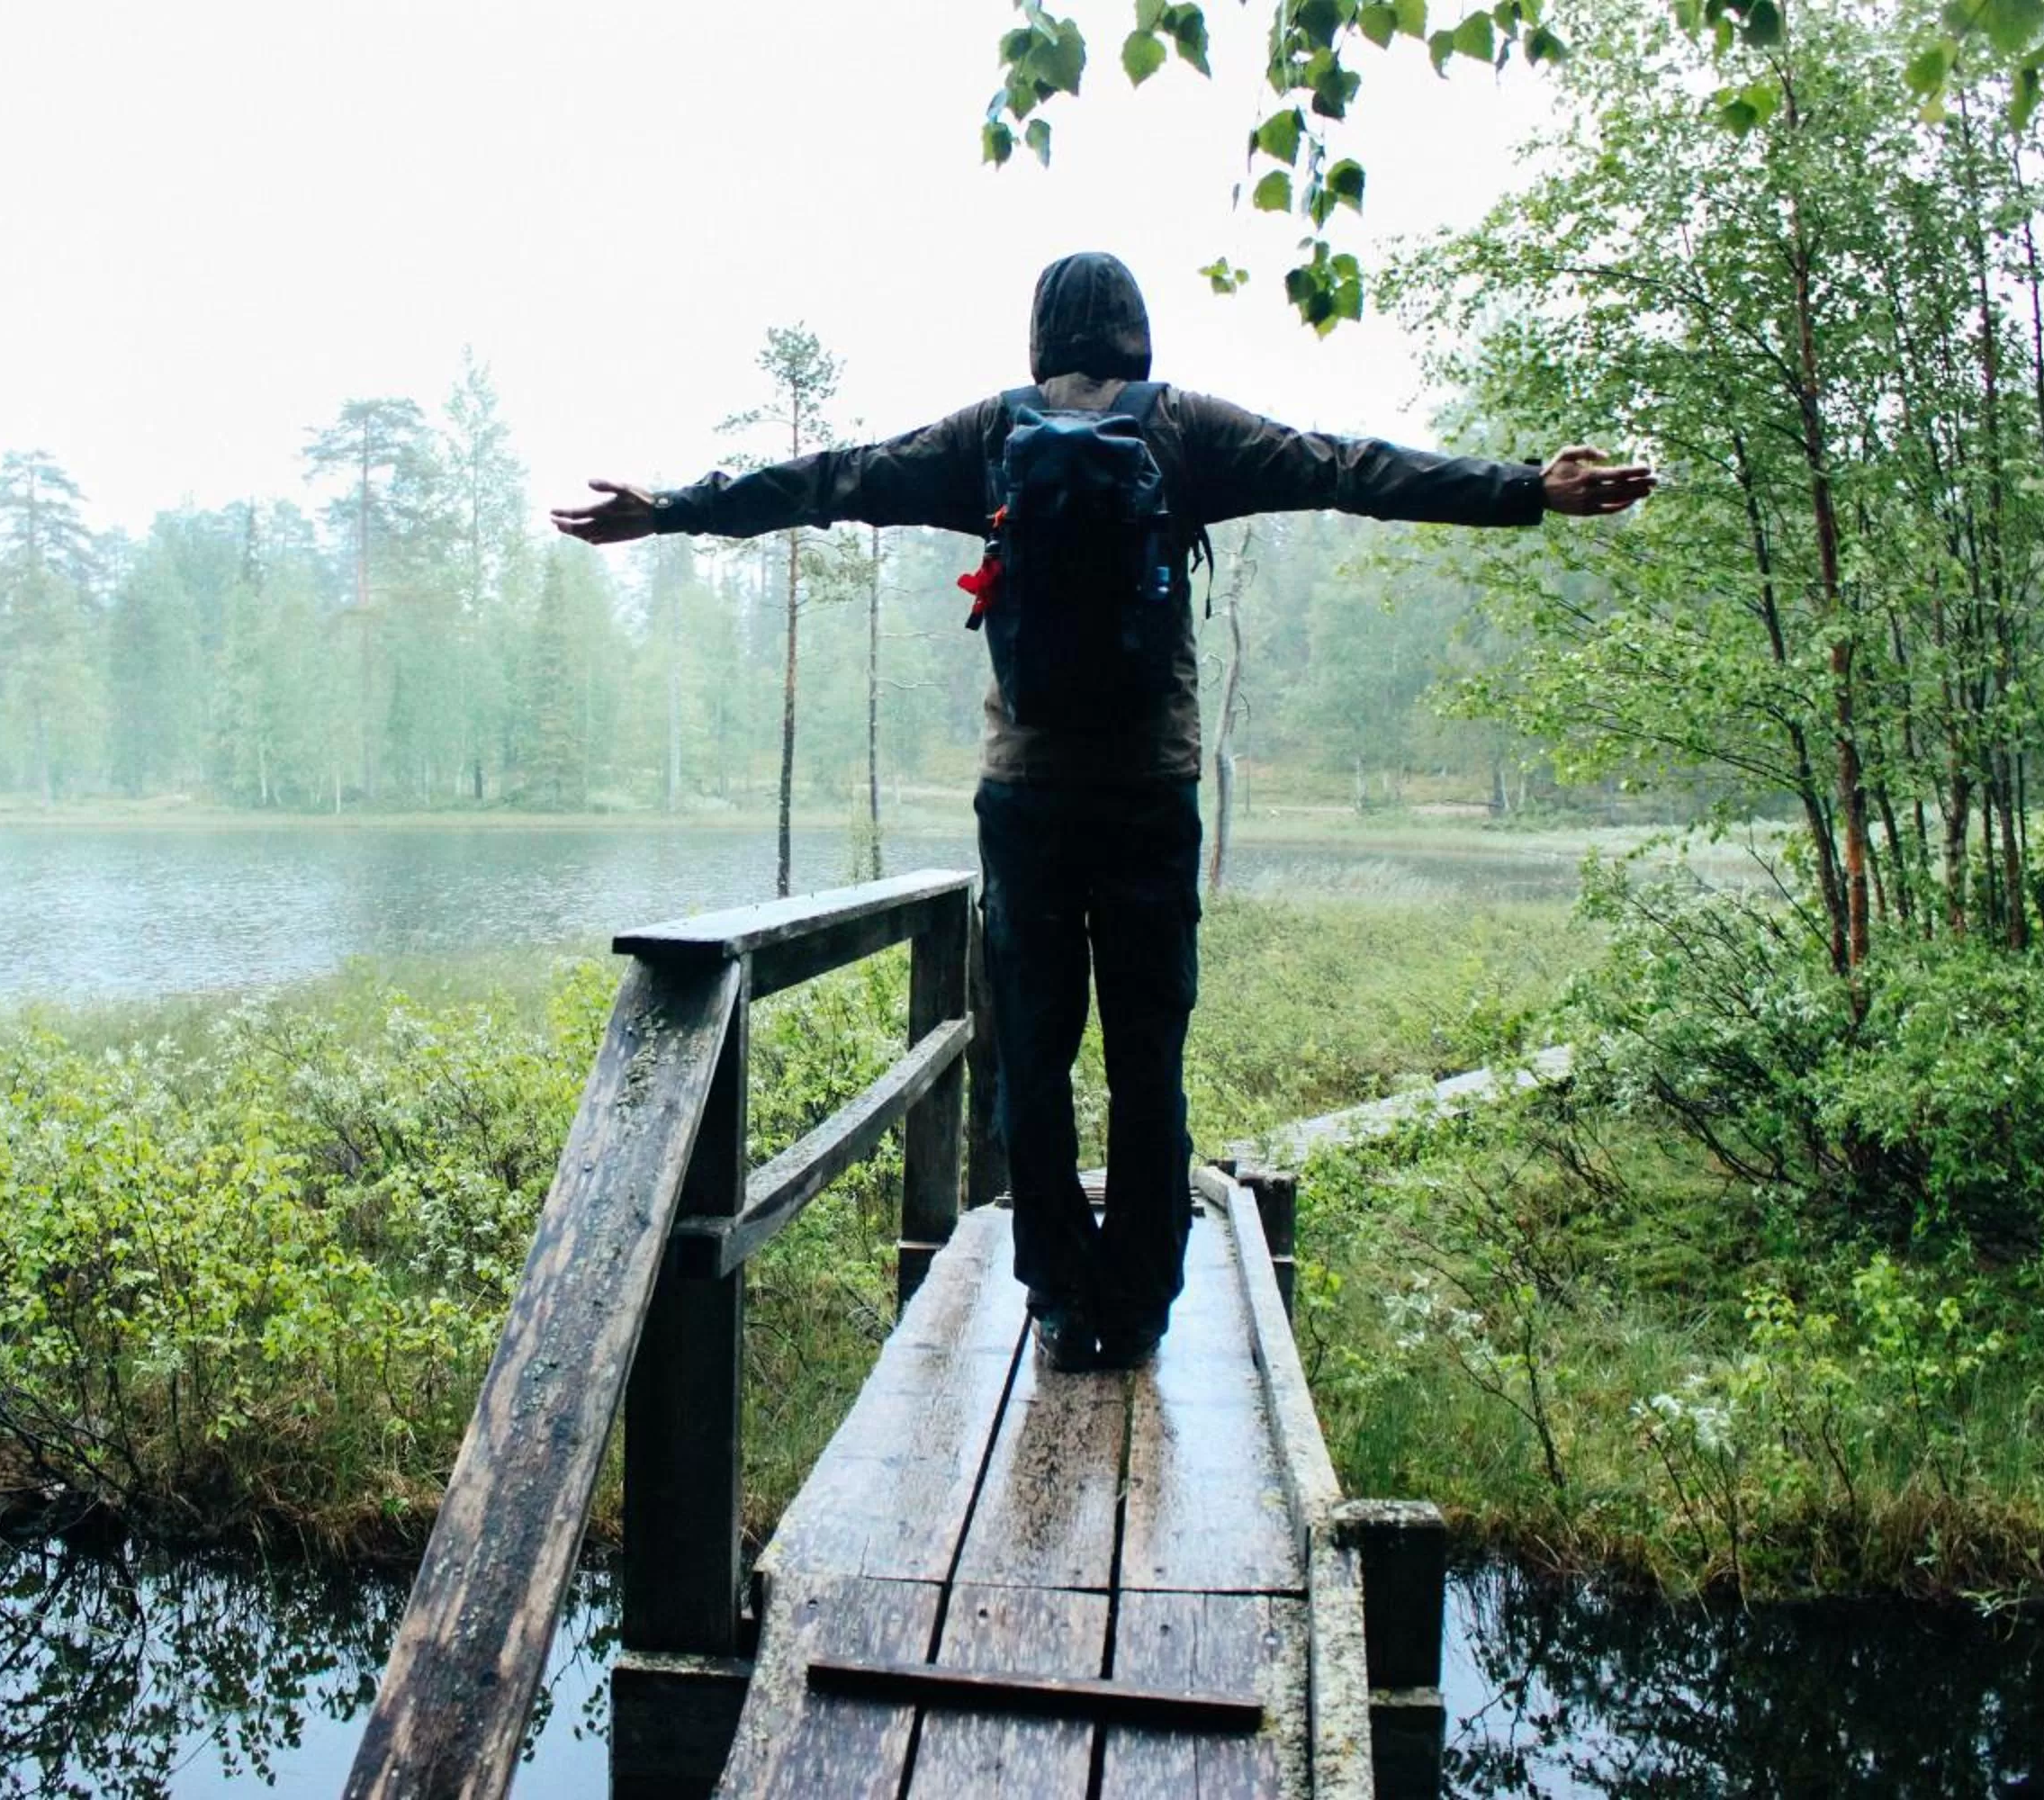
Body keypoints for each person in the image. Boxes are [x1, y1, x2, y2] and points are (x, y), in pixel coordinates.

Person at [554, 250, 1650, 1372]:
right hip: (1148, 791)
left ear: (1039, 333)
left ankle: (1060, 1297)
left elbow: (835, 478)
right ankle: (1138, 1305)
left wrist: (672, 511)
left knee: (1031, 1056)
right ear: (1136, 331)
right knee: (1146, 1050)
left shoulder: (991, 432)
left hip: (1024, 796)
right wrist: (1528, 489)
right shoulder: (1186, 429)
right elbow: (1348, 469)